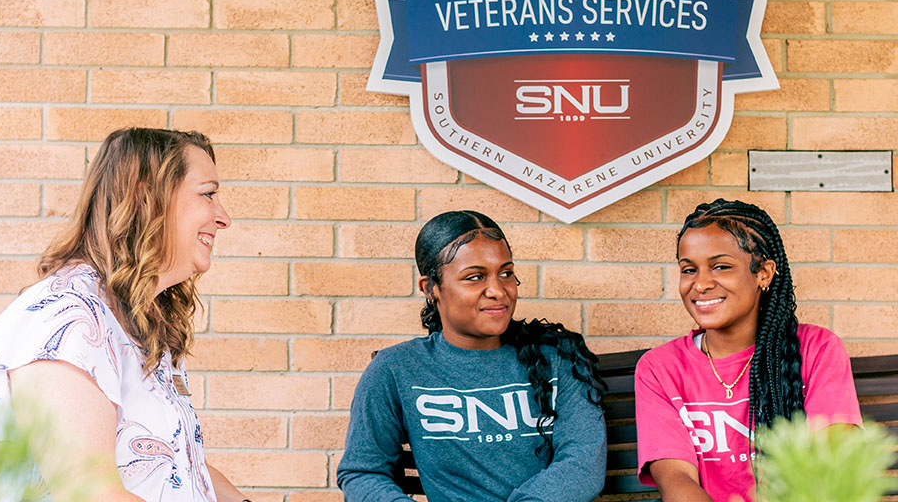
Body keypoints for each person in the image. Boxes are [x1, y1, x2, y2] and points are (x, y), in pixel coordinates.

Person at [0, 128, 253, 502]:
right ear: (146, 198)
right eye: (208, 194)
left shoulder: (139, 318)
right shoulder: (67, 322)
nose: (224, 218)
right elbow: (89, 494)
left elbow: (180, 469)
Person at [336, 210, 607, 502]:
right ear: (431, 288)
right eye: (475, 277)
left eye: (506, 273)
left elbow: (583, 462)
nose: (498, 291)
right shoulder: (396, 369)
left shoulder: (557, 360)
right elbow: (362, 472)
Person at [634, 198, 862, 502]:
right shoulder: (659, 368)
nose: (700, 284)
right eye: (689, 269)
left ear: (764, 273)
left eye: (720, 267)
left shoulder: (817, 350)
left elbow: (832, 467)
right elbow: (676, 480)